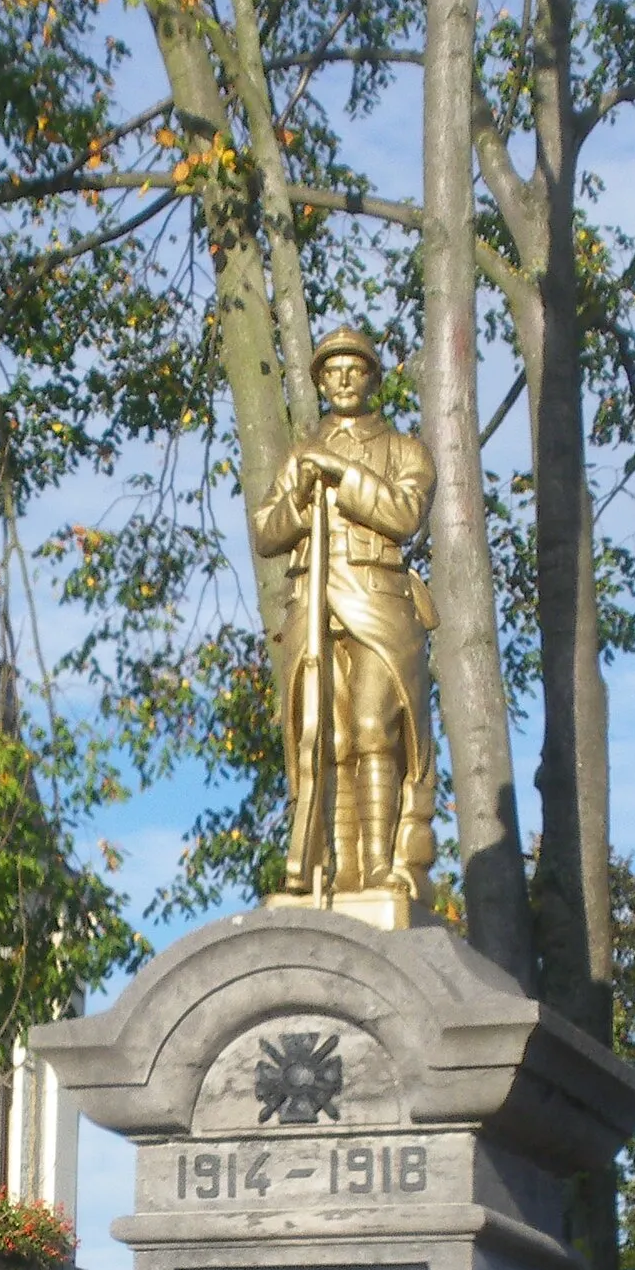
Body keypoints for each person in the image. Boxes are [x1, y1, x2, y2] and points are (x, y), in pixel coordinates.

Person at [252, 327, 438, 907]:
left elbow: (406, 514)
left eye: (355, 369)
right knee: (322, 739)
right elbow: (264, 533)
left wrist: (342, 474)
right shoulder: (298, 456)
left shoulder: (406, 449)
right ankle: (327, 870)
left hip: (377, 597)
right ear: (320, 381)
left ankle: (381, 868)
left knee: (373, 728)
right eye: (332, 371)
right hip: (313, 600)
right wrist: (301, 496)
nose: (344, 380)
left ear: (373, 376)